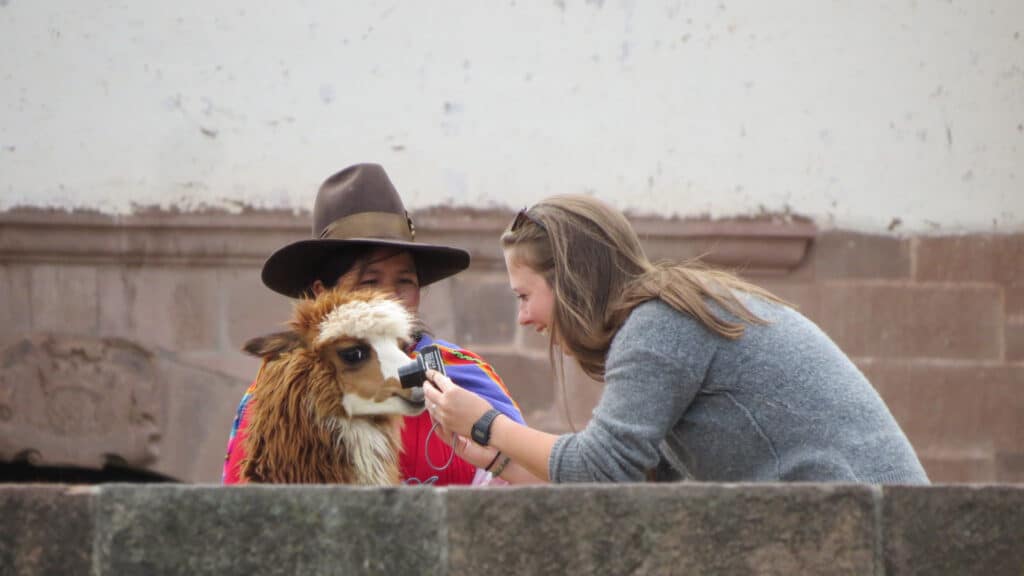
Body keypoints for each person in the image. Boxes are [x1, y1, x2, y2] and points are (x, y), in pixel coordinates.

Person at [424, 194, 930, 484]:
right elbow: (633, 485)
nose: (522, 318)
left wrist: (486, 423)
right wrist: (497, 460)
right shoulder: (665, 315)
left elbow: (602, 467)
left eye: (524, 296)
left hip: (873, 529)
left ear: (571, 282)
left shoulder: (659, 324)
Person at [222, 163, 525, 485]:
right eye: (370, 281)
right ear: (323, 295)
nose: (390, 298)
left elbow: (521, 489)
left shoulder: (461, 378)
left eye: (405, 281)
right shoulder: (279, 402)